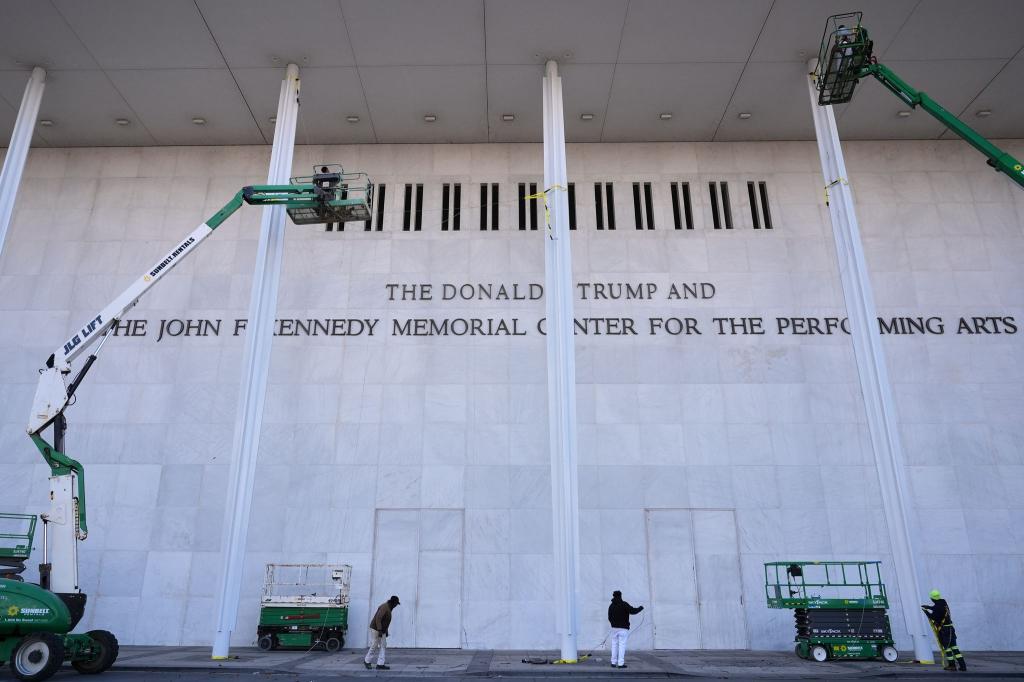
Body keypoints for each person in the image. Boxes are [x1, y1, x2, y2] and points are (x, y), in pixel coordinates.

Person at [922, 589, 966, 671]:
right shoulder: (943, 603)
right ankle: (962, 666)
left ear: (932, 598)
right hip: (950, 629)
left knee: (947, 648)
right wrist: (929, 607)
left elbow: (933, 617)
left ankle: (952, 666)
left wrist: (926, 612)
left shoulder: (938, 607)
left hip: (945, 630)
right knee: (954, 647)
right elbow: (937, 609)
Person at [607, 590, 643, 669]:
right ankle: (620, 664)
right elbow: (633, 611)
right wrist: (640, 608)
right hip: (623, 628)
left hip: (614, 628)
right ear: (620, 596)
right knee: (622, 645)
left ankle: (613, 662)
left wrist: (613, 624)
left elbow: (609, 617)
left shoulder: (611, 606)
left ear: (613, 596)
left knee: (614, 645)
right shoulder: (624, 604)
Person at [364, 595, 400, 670]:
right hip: (376, 628)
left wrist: (385, 631)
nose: (396, 605)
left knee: (383, 645)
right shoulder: (384, 607)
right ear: (393, 603)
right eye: (396, 604)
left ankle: (380, 664)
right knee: (374, 644)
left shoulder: (389, 608)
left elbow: (385, 622)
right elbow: (378, 619)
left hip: (381, 630)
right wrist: (380, 630)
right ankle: (367, 661)